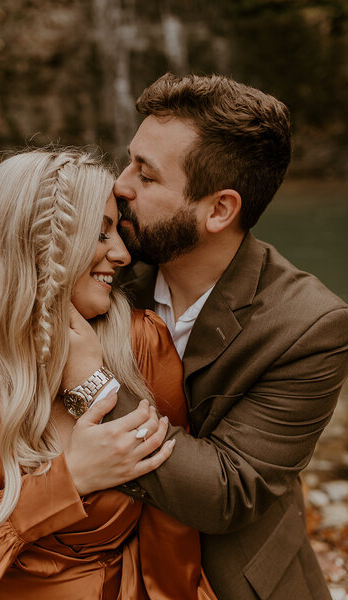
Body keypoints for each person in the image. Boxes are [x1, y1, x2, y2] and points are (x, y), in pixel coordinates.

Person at [99, 73, 348, 600]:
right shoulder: (103, 266)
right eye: (129, 160)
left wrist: (88, 379)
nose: (119, 185)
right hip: (95, 565)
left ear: (219, 210)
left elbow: (225, 494)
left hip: (231, 579)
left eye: (145, 175)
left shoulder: (310, 325)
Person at [0, 148, 216, 599]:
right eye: (100, 233)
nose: (124, 255)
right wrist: (67, 482)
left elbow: (172, 524)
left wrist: (94, 384)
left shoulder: (142, 344)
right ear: (32, 243)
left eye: (120, 232)